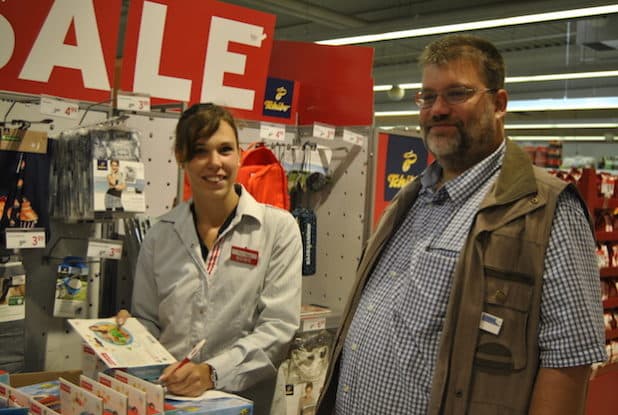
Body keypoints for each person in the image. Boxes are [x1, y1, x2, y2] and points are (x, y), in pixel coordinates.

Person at [316, 34, 606, 415]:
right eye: (427, 96)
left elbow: (569, 358)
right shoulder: (410, 199)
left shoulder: (546, 209)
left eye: (456, 94)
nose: (437, 109)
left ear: (499, 104)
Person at [117, 103, 302, 415]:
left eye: (225, 149)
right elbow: (148, 319)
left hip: (242, 405)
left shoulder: (278, 229)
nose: (215, 163)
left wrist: (212, 373)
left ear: (240, 154)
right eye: (201, 151)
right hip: (169, 403)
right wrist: (129, 335)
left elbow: (277, 328)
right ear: (181, 157)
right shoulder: (160, 235)